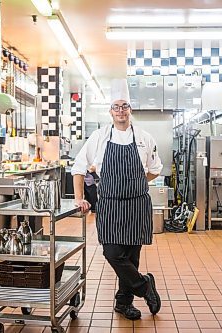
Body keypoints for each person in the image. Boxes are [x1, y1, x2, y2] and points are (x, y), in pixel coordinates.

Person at [71, 79, 163, 320]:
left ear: (130, 109)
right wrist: (79, 198)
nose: (121, 111)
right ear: (110, 111)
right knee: (112, 253)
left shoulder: (144, 138)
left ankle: (124, 303)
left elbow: (156, 169)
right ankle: (144, 286)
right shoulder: (99, 137)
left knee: (131, 257)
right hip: (110, 205)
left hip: (136, 205)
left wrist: (138, 181)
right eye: (116, 106)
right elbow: (78, 168)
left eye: (124, 106)